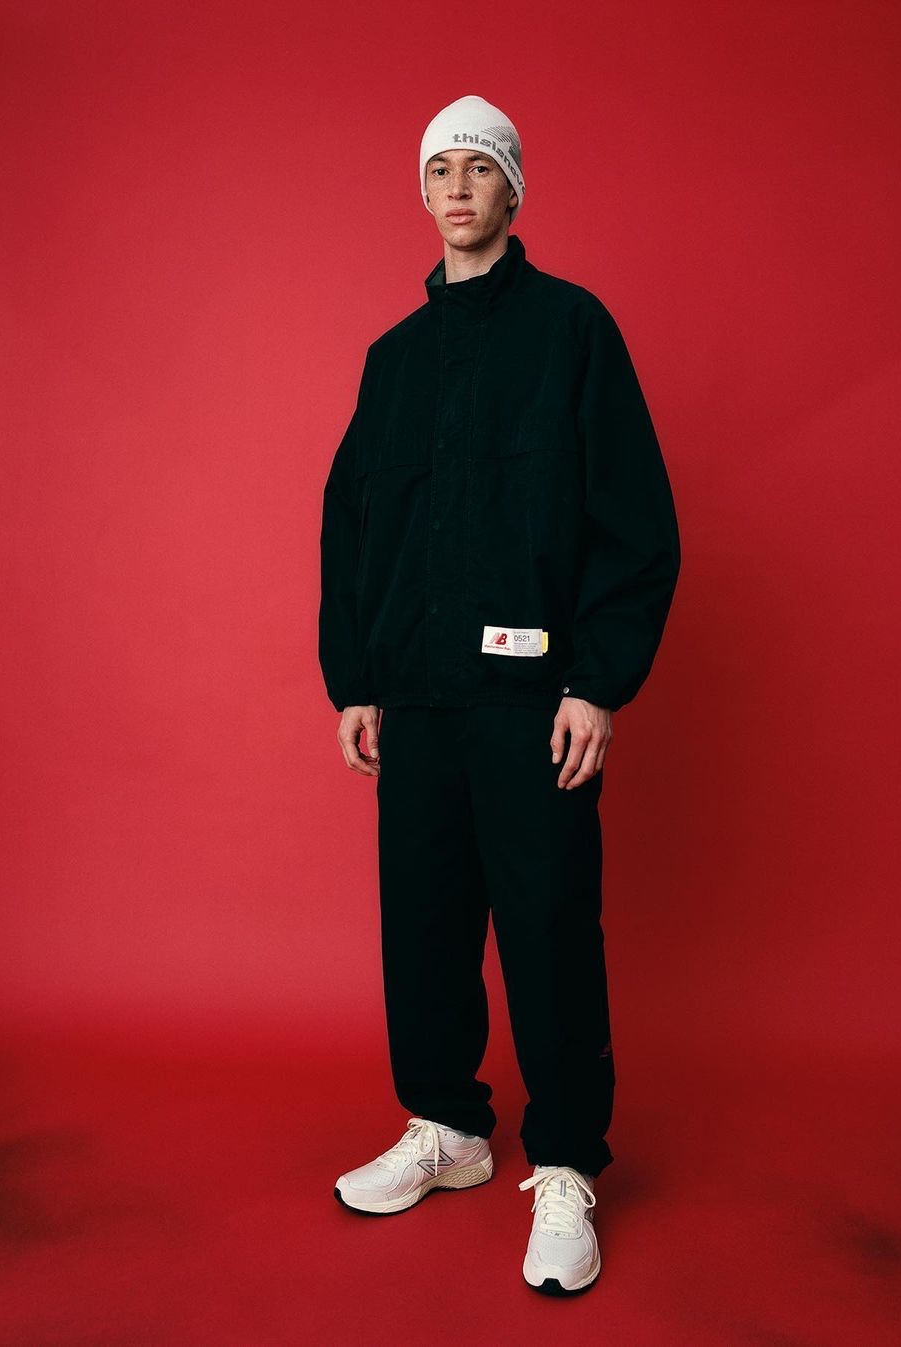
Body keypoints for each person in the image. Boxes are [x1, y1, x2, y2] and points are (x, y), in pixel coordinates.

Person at [318, 93, 681, 1296]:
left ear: (514, 191)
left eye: (479, 169)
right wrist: (356, 678)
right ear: (422, 194)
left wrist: (598, 682)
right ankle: (449, 1128)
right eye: (440, 170)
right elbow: (351, 528)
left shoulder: (573, 330)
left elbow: (635, 518)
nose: (458, 188)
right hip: (416, 699)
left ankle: (565, 1163)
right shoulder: (392, 361)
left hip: (535, 705)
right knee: (422, 925)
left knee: (548, 929)